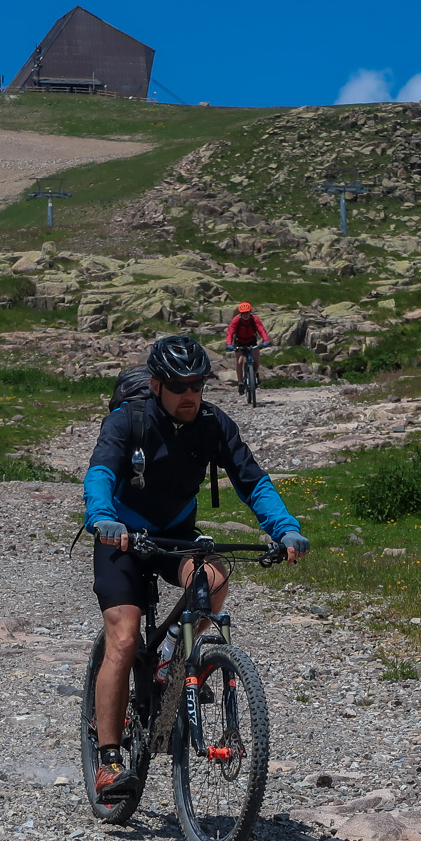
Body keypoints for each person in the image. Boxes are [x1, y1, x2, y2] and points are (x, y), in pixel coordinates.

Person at [83, 335, 309, 800]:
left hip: (174, 536)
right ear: (156, 385)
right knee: (123, 639)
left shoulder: (212, 424)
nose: (190, 394)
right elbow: (101, 471)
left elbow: (252, 481)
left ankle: (169, 657)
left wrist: (285, 528)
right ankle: (109, 762)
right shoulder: (129, 421)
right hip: (120, 538)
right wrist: (103, 517)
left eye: (197, 384)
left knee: (215, 579)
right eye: (178, 386)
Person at [224, 303, 271, 387]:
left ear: (250, 312)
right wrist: (229, 344)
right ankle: (240, 383)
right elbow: (230, 332)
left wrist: (266, 340)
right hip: (239, 342)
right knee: (240, 361)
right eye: (243, 313)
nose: (245, 315)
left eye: (247, 313)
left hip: (251, 341)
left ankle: (255, 374)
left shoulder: (254, 319)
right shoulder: (236, 320)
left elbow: (261, 330)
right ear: (240, 313)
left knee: (256, 360)